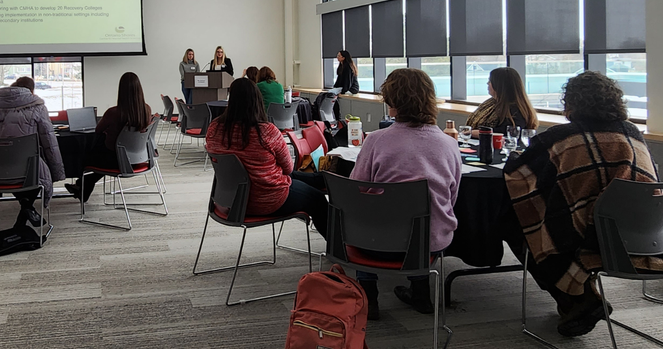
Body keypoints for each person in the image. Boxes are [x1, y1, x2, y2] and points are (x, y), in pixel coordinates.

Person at [502, 71, 661, 338]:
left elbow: (518, 174)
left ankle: (575, 297)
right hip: (643, 237)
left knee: (515, 222)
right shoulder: (633, 134)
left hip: (585, 237)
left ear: (571, 102)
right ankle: (578, 299)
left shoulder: (561, 138)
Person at [349, 68, 461, 320]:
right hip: (429, 244)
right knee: (422, 219)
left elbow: (357, 192)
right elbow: (450, 198)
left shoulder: (376, 140)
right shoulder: (449, 144)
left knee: (363, 217)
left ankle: (369, 297)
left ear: (391, 102)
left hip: (375, 243)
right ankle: (421, 292)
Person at [204, 78, 328, 238]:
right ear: (257, 100)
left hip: (229, 200)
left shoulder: (214, 128)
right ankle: (340, 252)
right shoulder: (266, 132)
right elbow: (288, 168)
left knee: (305, 179)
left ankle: (324, 180)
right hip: (267, 199)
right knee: (317, 199)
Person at [0, 77, 65, 226]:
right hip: (28, 171)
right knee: (37, 172)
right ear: (31, 90)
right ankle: (26, 207)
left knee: (16, 172)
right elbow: (50, 142)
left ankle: (25, 209)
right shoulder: (38, 107)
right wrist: (57, 170)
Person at [65, 72, 153, 202]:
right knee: (100, 155)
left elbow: (98, 130)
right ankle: (81, 186)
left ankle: (81, 184)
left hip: (116, 160)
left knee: (87, 155)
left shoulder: (113, 112)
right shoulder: (146, 110)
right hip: (140, 158)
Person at [467, 67, 538, 136]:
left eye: (490, 81)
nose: (487, 83)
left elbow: (507, 133)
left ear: (499, 85)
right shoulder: (489, 103)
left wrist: (480, 133)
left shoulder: (516, 110)